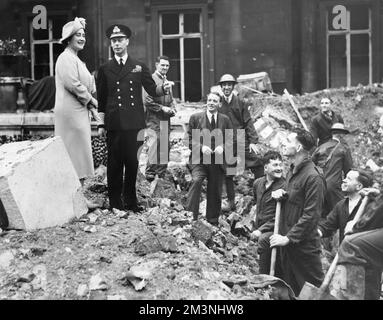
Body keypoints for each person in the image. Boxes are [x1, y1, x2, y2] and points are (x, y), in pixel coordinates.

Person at [96, 24, 172, 212]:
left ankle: (130, 202)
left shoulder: (138, 66)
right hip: (114, 123)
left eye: (120, 40)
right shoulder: (105, 68)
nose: (117, 44)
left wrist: (164, 89)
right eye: (113, 41)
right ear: (111, 44)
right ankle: (115, 203)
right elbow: (101, 99)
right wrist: (100, 123)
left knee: (132, 163)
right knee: (114, 164)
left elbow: (152, 89)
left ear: (127, 42)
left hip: (135, 123)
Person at [270, 129, 325, 295]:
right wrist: (280, 194)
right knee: (291, 291)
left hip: (304, 249)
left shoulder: (313, 177)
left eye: (288, 141)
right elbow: (293, 197)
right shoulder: (292, 171)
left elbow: (311, 216)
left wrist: (288, 238)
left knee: (312, 293)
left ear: (299, 147)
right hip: (288, 246)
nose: (284, 144)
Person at [317, 169, 382, 300]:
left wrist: (357, 226)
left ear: (359, 186)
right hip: (345, 258)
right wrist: (316, 232)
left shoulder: (371, 204)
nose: (344, 180)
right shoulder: (341, 205)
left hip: (367, 261)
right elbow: (327, 225)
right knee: (341, 291)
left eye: (349, 178)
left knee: (368, 292)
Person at [54, 17, 100, 186]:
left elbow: (88, 82)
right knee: (74, 148)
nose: (82, 38)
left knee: (81, 148)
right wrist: (90, 100)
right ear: (69, 39)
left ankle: (81, 186)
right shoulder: (65, 58)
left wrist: (91, 105)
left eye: (83, 35)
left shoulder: (77, 60)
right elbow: (72, 83)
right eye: (77, 35)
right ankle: (73, 186)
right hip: (70, 113)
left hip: (79, 111)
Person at [185, 92, 233, 226]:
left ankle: (212, 221)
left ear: (219, 104)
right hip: (199, 159)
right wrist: (200, 147)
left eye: (214, 101)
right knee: (197, 180)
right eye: (209, 100)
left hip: (217, 161)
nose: (211, 102)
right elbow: (189, 139)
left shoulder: (225, 120)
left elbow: (231, 139)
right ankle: (190, 217)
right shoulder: (195, 118)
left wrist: (223, 147)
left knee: (215, 189)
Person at [217, 74, 262, 213]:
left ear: (233, 86)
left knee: (258, 163)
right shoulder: (218, 103)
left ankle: (260, 198)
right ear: (221, 87)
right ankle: (230, 202)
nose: (226, 87)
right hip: (226, 142)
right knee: (227, 172)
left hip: (241, 139)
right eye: (224, 85)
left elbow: (248, 122)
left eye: (229, 85)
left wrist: (253, 141)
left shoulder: (240, 102)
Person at [250, 150, 285, 275]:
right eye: (275, 165)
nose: (279, 168)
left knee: (264, 240)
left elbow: (281, 216)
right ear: (265, 168)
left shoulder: (285, 186)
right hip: (260, 226)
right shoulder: (257, 183)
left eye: (280, 165)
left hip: (278, 229)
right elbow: (257, 206)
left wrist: (261, 230)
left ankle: (263, 278)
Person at [144, 55, 176, 181]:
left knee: (164, 144)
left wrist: (173, 107)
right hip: (154, 117)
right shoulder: (151, 79)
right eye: (162, 65)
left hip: (165, 118)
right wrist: (162, 108)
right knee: (155, 143)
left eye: (167, 65)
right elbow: (147, 100)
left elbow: (171, 99)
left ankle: (161, 173)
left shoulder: (166, 81)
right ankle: (150, 173)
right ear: (156, 65)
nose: (165, 67)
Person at [312, 123, 353, 217]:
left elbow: (311, 165)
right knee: (341, 213)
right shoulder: (344, 148)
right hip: (334, 188)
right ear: (341, 135)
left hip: (318, 186)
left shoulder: (321, 147)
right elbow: (349, 171)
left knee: (320, 215)